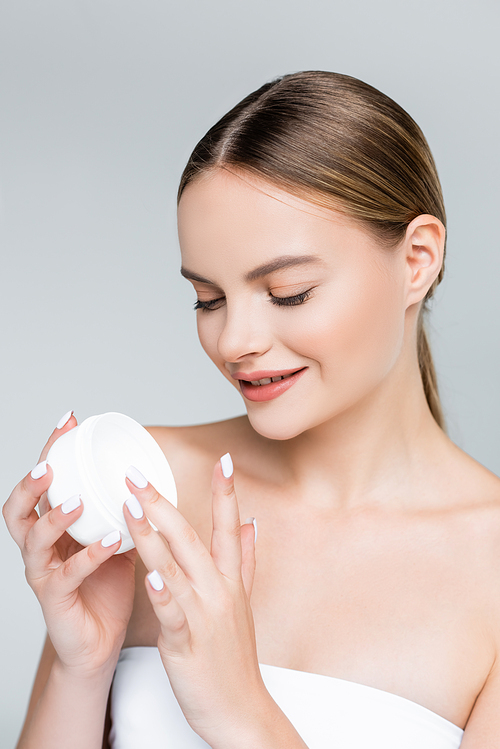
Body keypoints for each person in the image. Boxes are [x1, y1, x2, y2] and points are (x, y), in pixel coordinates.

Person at [4, 70, 500, 749]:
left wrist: (241, 713)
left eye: (289, 292)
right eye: (208, 298)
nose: (233, 340)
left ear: (416, 259)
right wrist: (79, 664)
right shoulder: (150, 493)